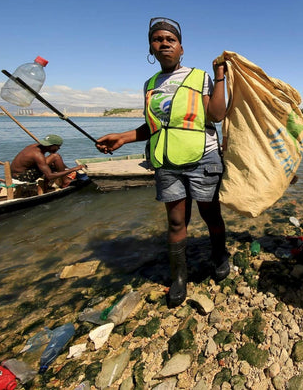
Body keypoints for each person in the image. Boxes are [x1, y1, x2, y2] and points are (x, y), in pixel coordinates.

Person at [95, 17, 228, 308]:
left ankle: (220, 255)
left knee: (211, 215)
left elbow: (216, 115)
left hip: (203, 156)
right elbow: (155, 126)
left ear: (181, 48)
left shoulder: (199, 76)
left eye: (171, 40)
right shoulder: (150, 84)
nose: (164, 43)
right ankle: (179, 277)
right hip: (166, 161)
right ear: (151, 49)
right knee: (176, 220)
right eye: (158, 40)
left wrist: (220, 77)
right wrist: (123, 137)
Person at [10, 134, 85, 190]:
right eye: (58, 146)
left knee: (55, 158)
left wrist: (67, 169)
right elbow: (50, 175)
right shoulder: (37, 155)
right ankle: (65, 181)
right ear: (51, 145)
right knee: (55, 157)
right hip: (21, 176)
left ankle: (53, 182)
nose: (59, 148)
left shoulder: (34, 146)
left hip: (17, 173)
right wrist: (73, 169)